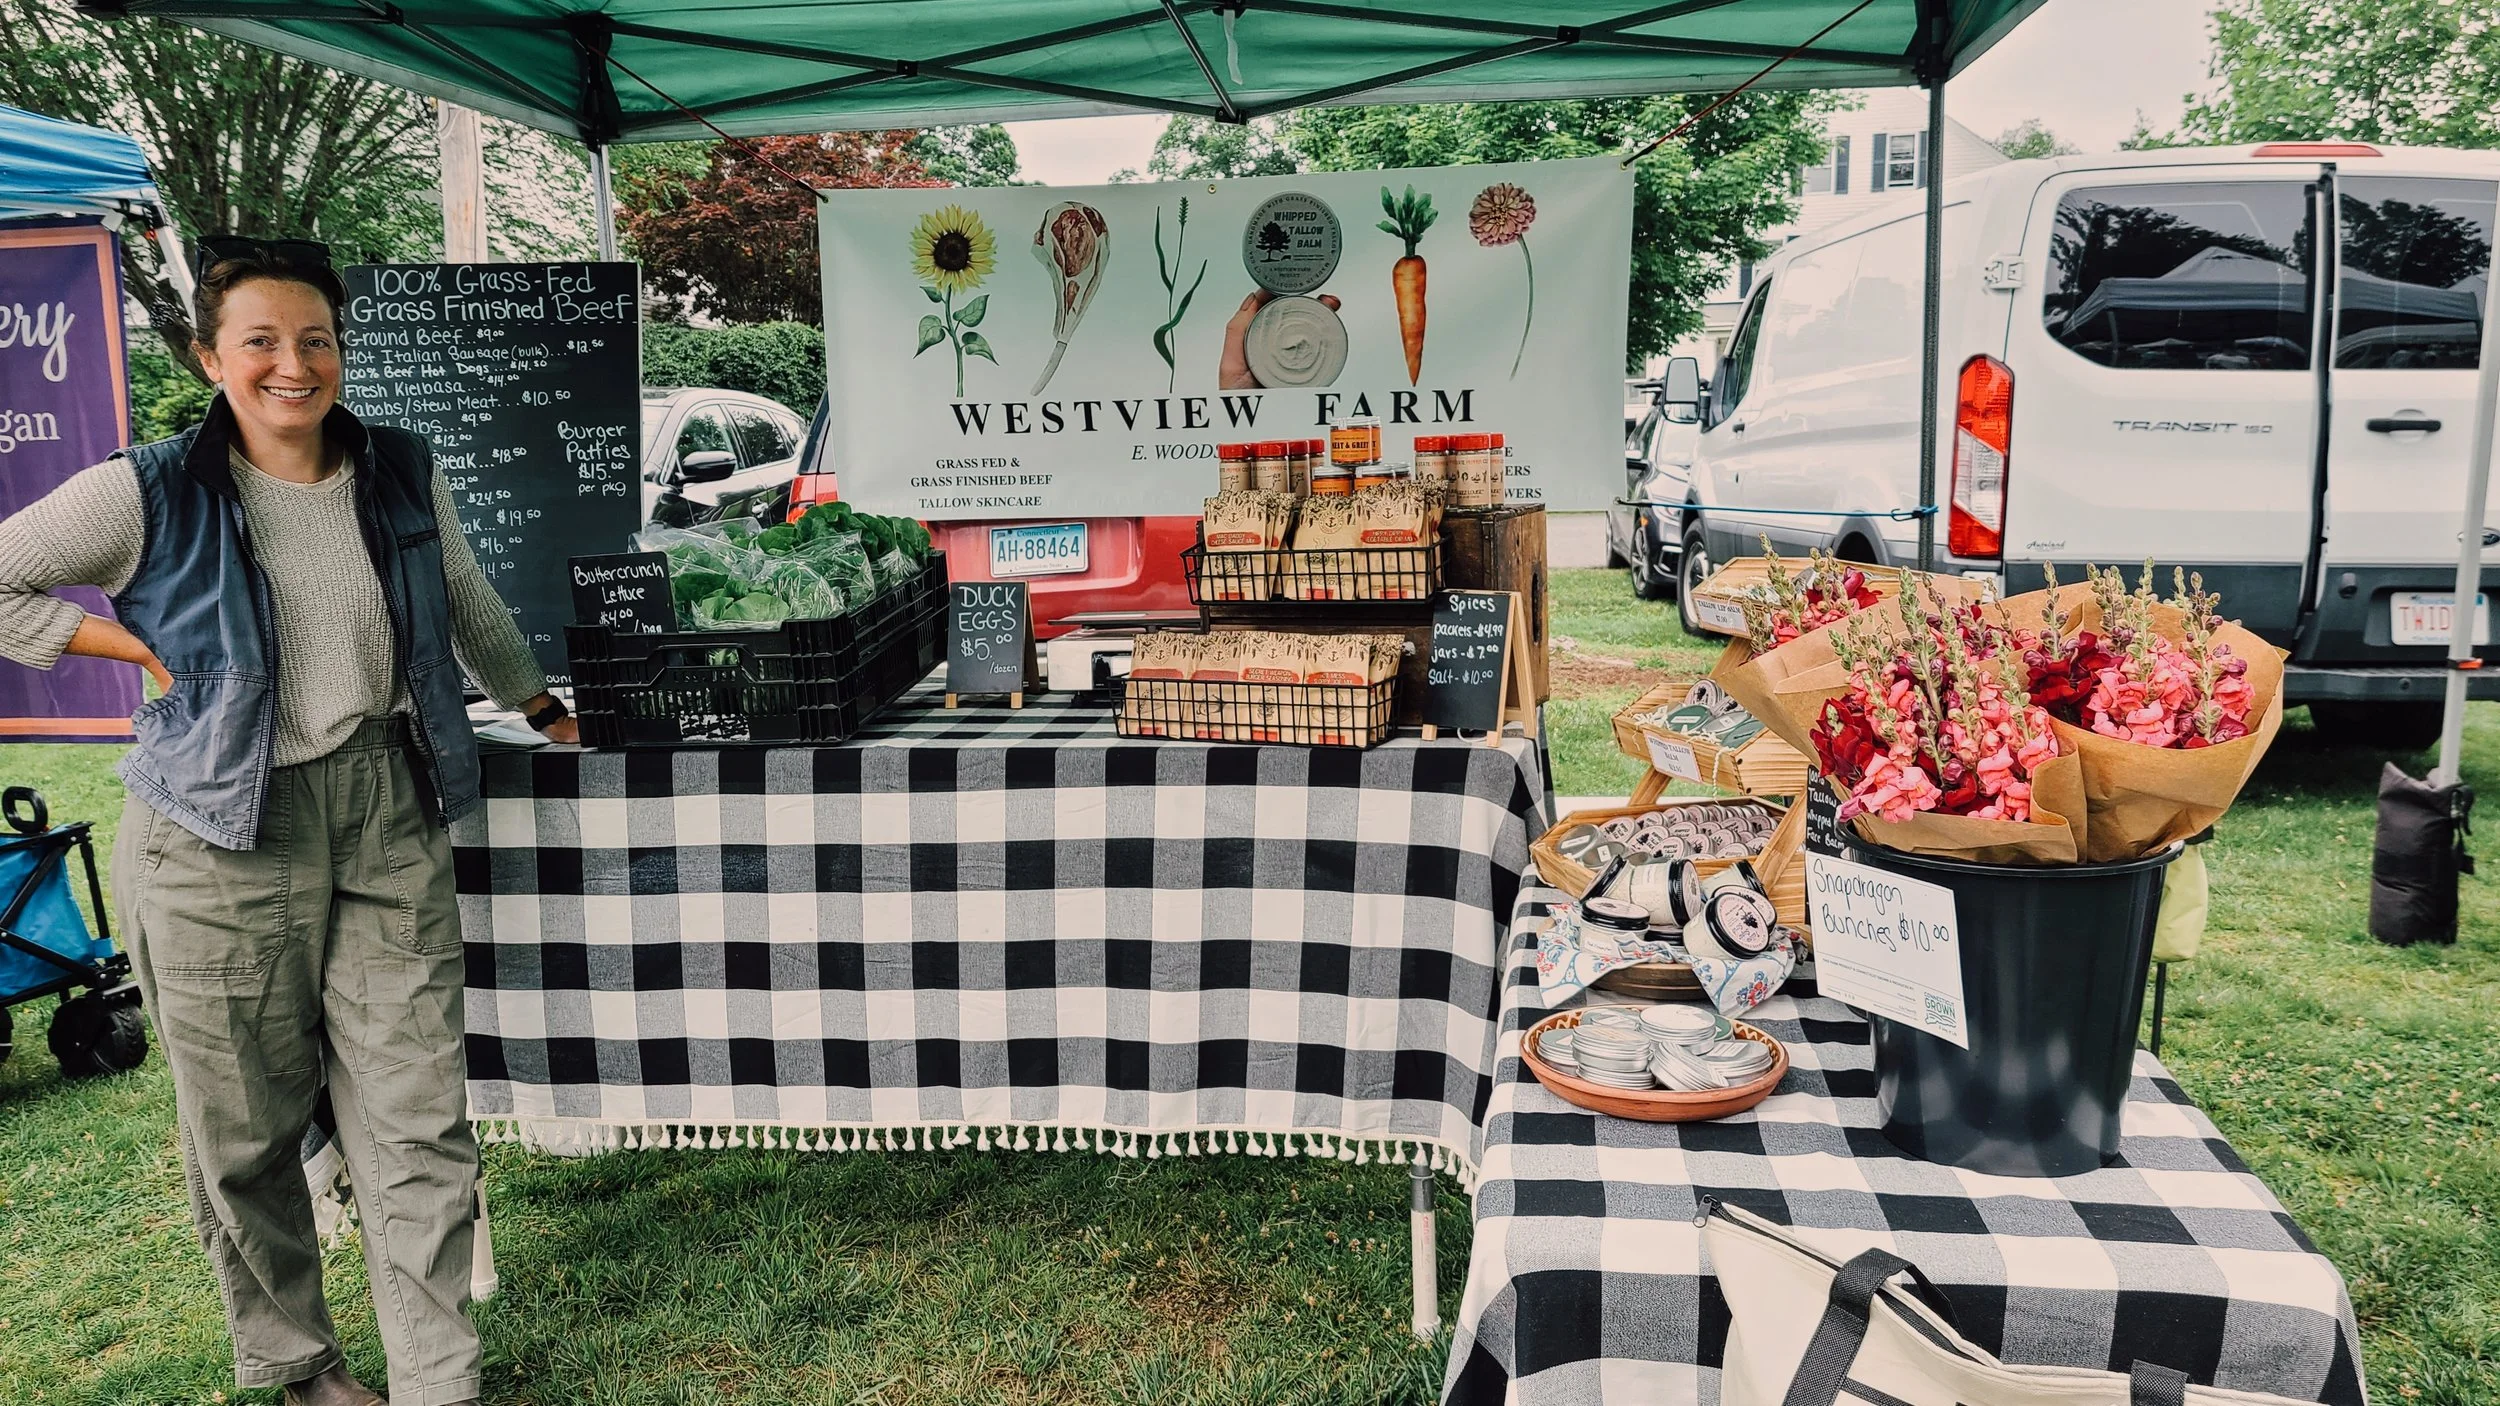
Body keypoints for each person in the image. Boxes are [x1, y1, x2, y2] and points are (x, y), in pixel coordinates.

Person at [0, 236, 575, 1406]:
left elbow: (464, 596)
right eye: (259, 340)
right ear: (213, 356)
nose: (291, 364)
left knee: (417, 1116)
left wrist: (542, 706)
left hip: (382, 806)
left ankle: (437, 1381)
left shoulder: (400, 468)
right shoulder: (150, 486)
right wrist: (119, 644)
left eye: (315, 339)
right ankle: (300, 1364)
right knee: (247, 1134)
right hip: (218, 832)